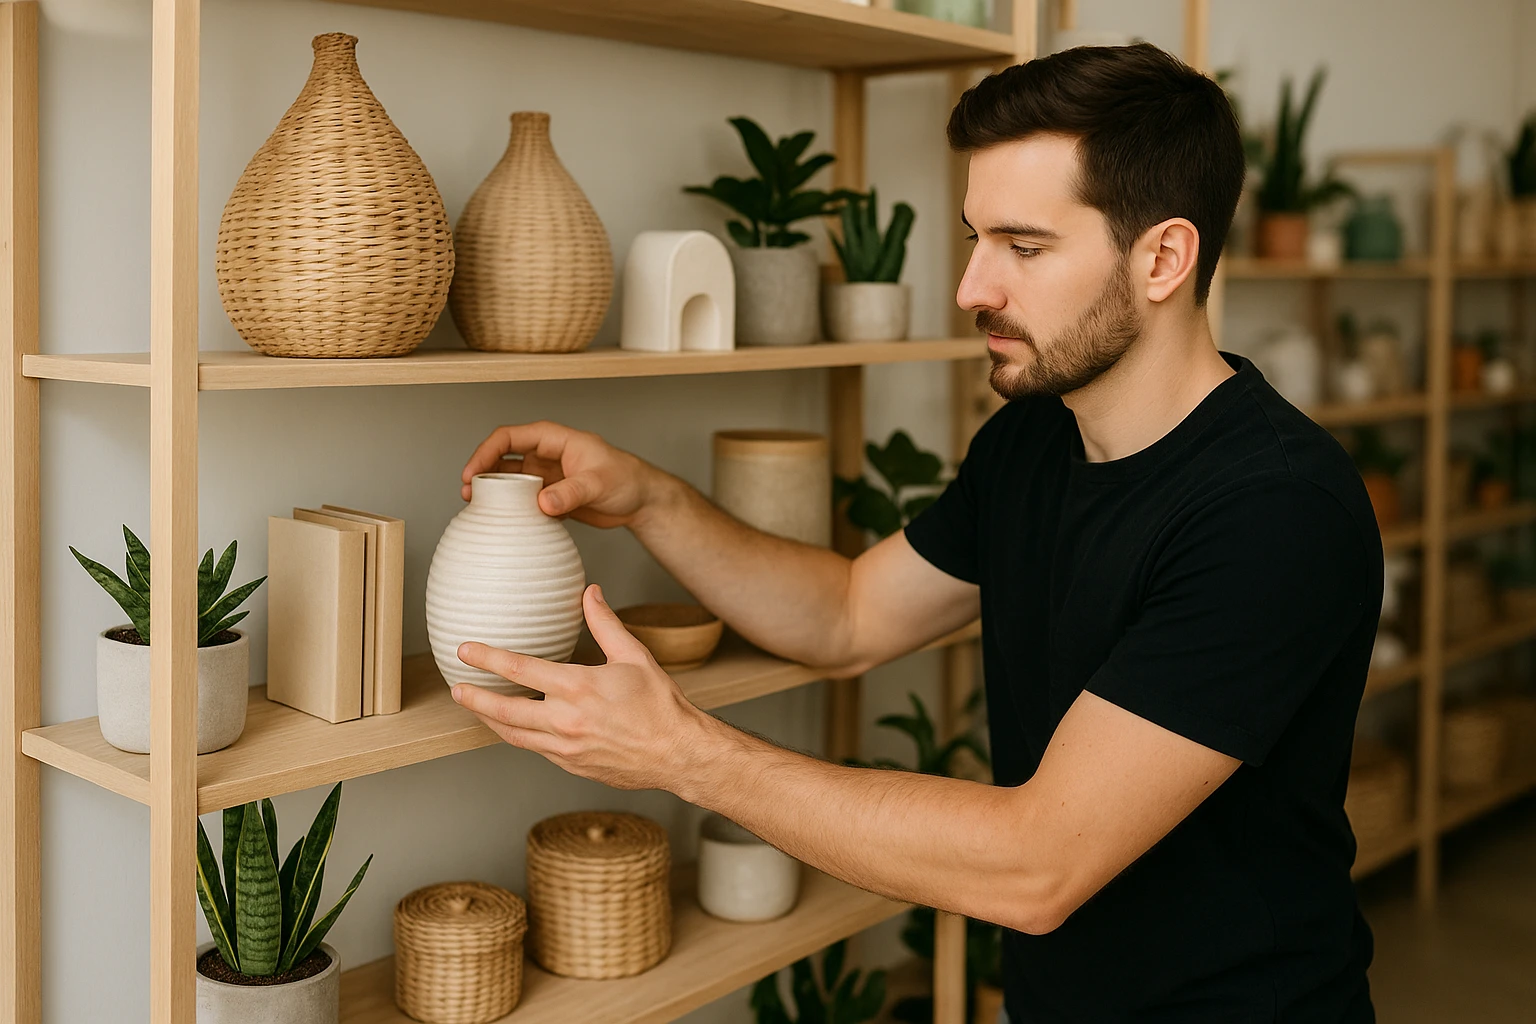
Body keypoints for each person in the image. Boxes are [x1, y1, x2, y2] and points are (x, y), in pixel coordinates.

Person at [448, 43, 1382, 1023]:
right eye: (977, 238)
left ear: (1162, 258)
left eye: (1023, 247)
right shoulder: (1032, 439)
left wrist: (686, 754)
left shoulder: (1274, 510)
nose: (973, 285)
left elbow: (1036, 862)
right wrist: (650, 499)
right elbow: (849, 614)